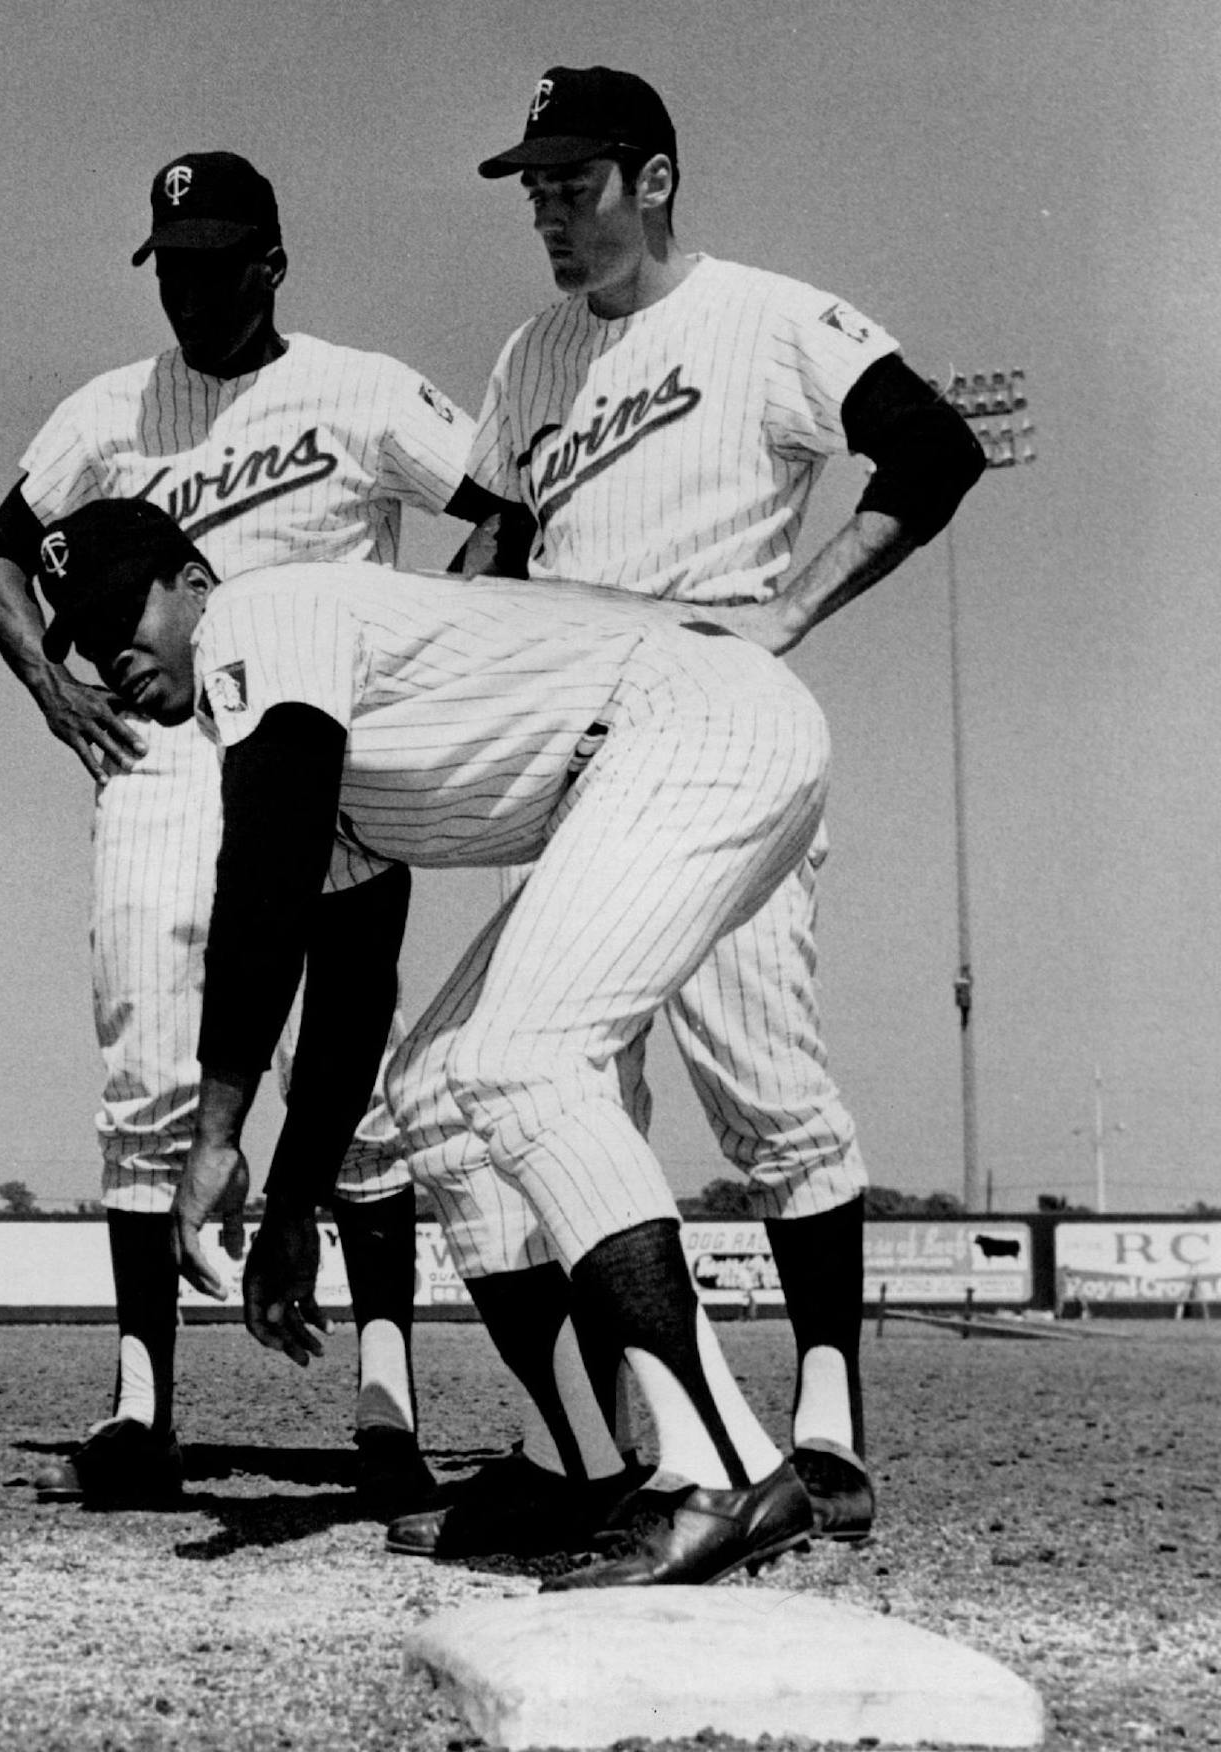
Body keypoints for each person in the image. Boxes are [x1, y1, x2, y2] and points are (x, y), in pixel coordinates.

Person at [379, 65, 988, 1565]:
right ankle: (591, 1449)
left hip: (714, 755)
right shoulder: (533, 354)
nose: (548, 212)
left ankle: (825, 1433)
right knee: (497, 1093)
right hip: (577, 769)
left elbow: (935, 448)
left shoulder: (766, 317)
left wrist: (790, 610)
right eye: (533, 187)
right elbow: (501, 541)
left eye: (573, 183)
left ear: (653, 180)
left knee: (765, 1093)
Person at [37, 494, 835, 1587]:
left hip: (703, 722)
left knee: (522, 1063)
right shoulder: (294, 726)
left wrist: (215, 1138)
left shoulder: (260, 621)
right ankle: (577, 1466)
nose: (109, 655)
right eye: (83, 639)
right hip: (666, 742)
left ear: (192, 581)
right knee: (434, 1090)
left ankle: (728, 1468)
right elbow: (353, 986)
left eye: (120, 612)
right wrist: (294, 1206)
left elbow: (262, 890)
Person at [0, 151, 506, 1511]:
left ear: (272, 263)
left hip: (318, 743)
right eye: (172, 266)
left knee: (355, 1086)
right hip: (164, 754)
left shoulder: (361, 389)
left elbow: (506, 503)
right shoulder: (108, 412)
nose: (190, 291)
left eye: (215, 264)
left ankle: (386, 1404)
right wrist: (51, 690)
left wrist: (425, 644)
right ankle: (141, 1407)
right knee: (147, 1080)